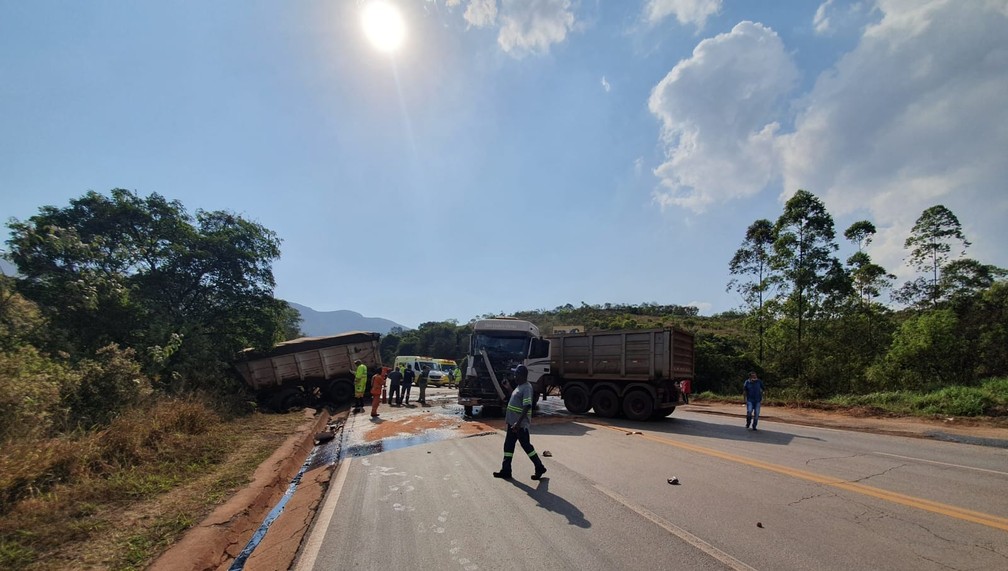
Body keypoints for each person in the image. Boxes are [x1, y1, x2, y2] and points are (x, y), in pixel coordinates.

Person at [493, 365, 547, 481]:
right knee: (508, 446)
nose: (514, 376)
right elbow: (516, 399)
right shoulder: (519, 387)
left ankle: (539, 467)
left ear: (522, 375)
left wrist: (518, 423)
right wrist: (508, 388)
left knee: (527, 446)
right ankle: (506, 470)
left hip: (519, 426)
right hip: (512, 424)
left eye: (516, 374)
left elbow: (527, 405)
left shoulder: (527, 387)